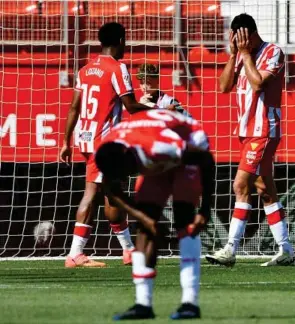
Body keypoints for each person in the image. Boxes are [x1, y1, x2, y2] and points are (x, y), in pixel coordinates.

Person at [96, 109, 215, 320]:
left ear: (128, 157)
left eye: (124, 173)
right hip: (153, 157)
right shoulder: (109, 147)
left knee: (184, 219)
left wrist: (205, 210)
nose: (124, 178)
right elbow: (111, 190)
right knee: (144, 228)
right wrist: (145, 219)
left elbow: (205, 159)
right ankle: (143, 304)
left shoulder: (162, 146)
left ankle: (190, 303)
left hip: (188, 146)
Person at [206, 13, 295, 267]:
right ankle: (286, 250)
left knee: (240, 185)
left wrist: (245, 54)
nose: (237, 41)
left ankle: (230, 248)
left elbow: (258, 84)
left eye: (240, 38)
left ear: (250, 34)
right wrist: (234, 55)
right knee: (265, 191)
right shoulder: (239, 55)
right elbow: (223, 86)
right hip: (246, 131)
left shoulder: (273, 52)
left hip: (264, 130)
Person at [59, 22, 151, 268]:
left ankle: (129, 250)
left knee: (113, 194)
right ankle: (75, 253)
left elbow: (74, 108)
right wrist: (157, 108)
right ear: (121, 40)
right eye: (126, 41)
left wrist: (65, 143)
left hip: (86, 137)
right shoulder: (117, 68)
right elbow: (130, 106)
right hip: (104, 141)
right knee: (92, 193)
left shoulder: (85, 70)